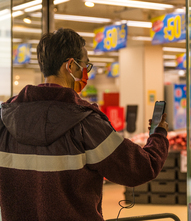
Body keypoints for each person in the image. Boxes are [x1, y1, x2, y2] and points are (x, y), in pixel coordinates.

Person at [0, 28, 169, 221]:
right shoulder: (86, 123)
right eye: (85, 65)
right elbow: (141, 168)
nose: (86, 72)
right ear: (71, 66)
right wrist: (159, 135)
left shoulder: (6, 120)